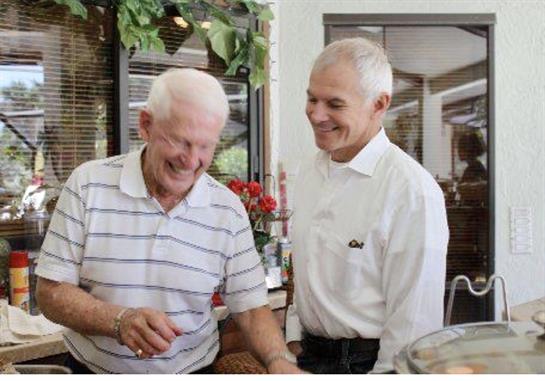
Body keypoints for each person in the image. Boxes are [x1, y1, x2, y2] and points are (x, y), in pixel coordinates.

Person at [35, 68, 303, 374]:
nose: (190, 160)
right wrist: (118, 320)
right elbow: (50, 292)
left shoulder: (227, 210)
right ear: (146, 125)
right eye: (180, 141)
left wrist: (279, 360)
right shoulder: (88, 185)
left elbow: (252, 308)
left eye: (205, 146)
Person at [285, 38, 449, 374]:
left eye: (335, 104)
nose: (317, 115)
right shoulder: (308, 173)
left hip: (367, 364)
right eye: (312, 99)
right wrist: (292, 340)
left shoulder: (412, 191)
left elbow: (414, 320)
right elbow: (304, 267)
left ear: (379, 104)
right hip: (306, 356)